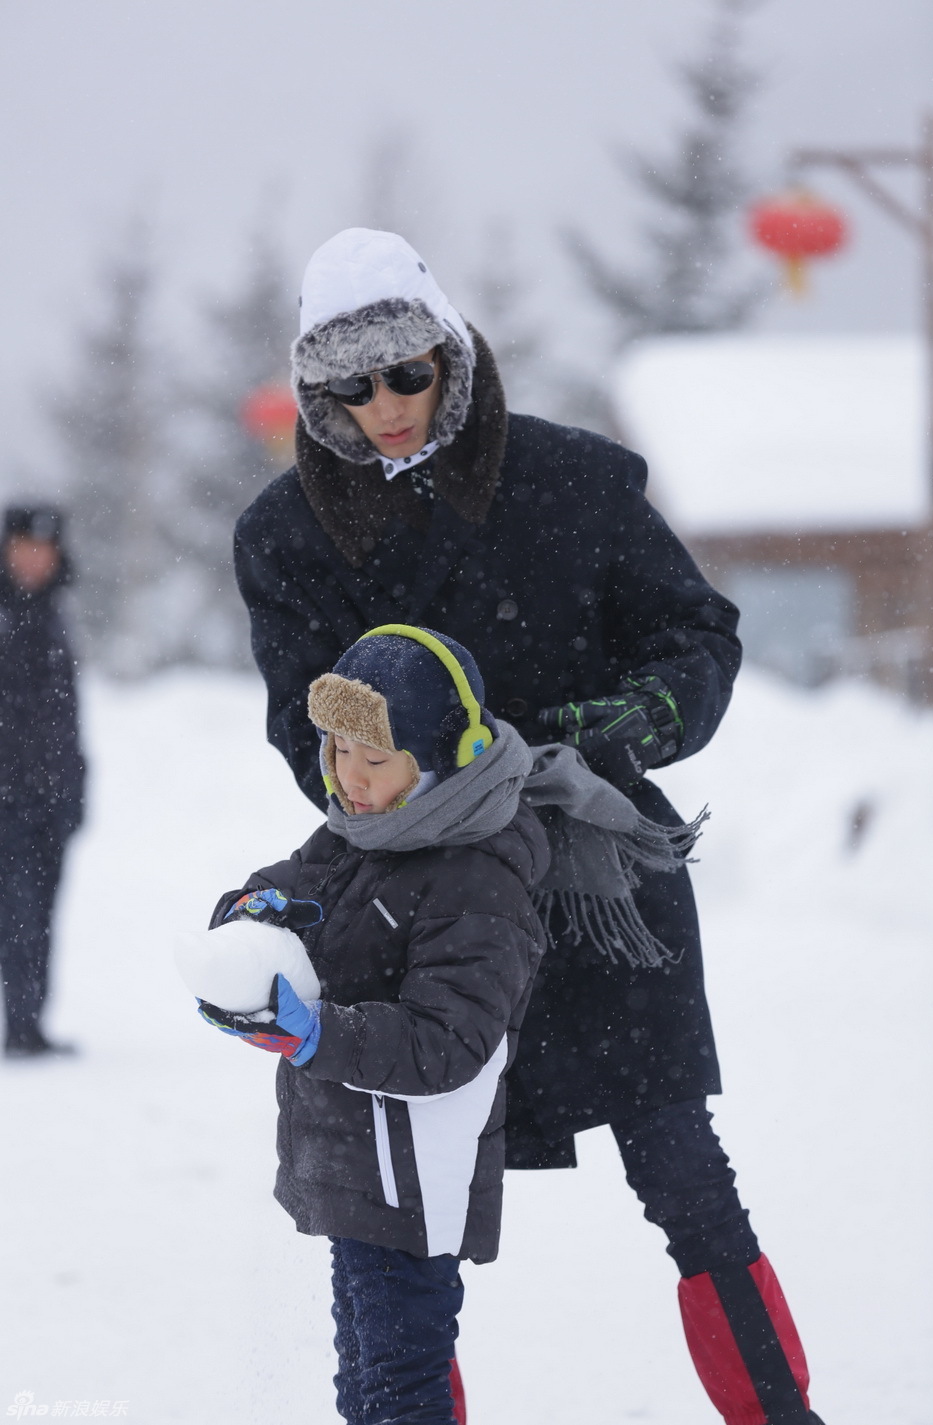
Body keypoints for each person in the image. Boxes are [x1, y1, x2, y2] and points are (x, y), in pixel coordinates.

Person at [232, 228, 827, 1425]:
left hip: (596, 872)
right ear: (316, 394)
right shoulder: (285, 535)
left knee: (684, 1180)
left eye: (405, 373)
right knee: (400, 1218)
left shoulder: (574, 481)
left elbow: (693, 637)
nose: (385, 406)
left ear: (449, 358)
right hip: (416, 901)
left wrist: (630, 721)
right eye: (349, 386)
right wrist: (394, 780)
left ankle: (779, 1413)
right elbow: (305, 731)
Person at [197, 625, 550, 1425]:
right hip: (361, 1173)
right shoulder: (362, 830)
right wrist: (246, 920)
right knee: (366, 1388)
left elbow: (447, 1043)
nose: (348, 776)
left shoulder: (477, 874)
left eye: (374, 757)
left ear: (442, 757)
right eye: (337, 748)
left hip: (412, 1186)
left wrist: (321, 1035)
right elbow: (291, 886)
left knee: (399, 1390)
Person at [0, 504, 85, 1058]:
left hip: (49, 800)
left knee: (41, 913)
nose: (35, 558)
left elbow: (65, 718)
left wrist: (75, 791)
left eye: (44, 548)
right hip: (7, 801)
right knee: (18, 914)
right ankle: (22, 1027)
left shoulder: (53, 614)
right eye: (26, 546)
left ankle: (30, 1023)